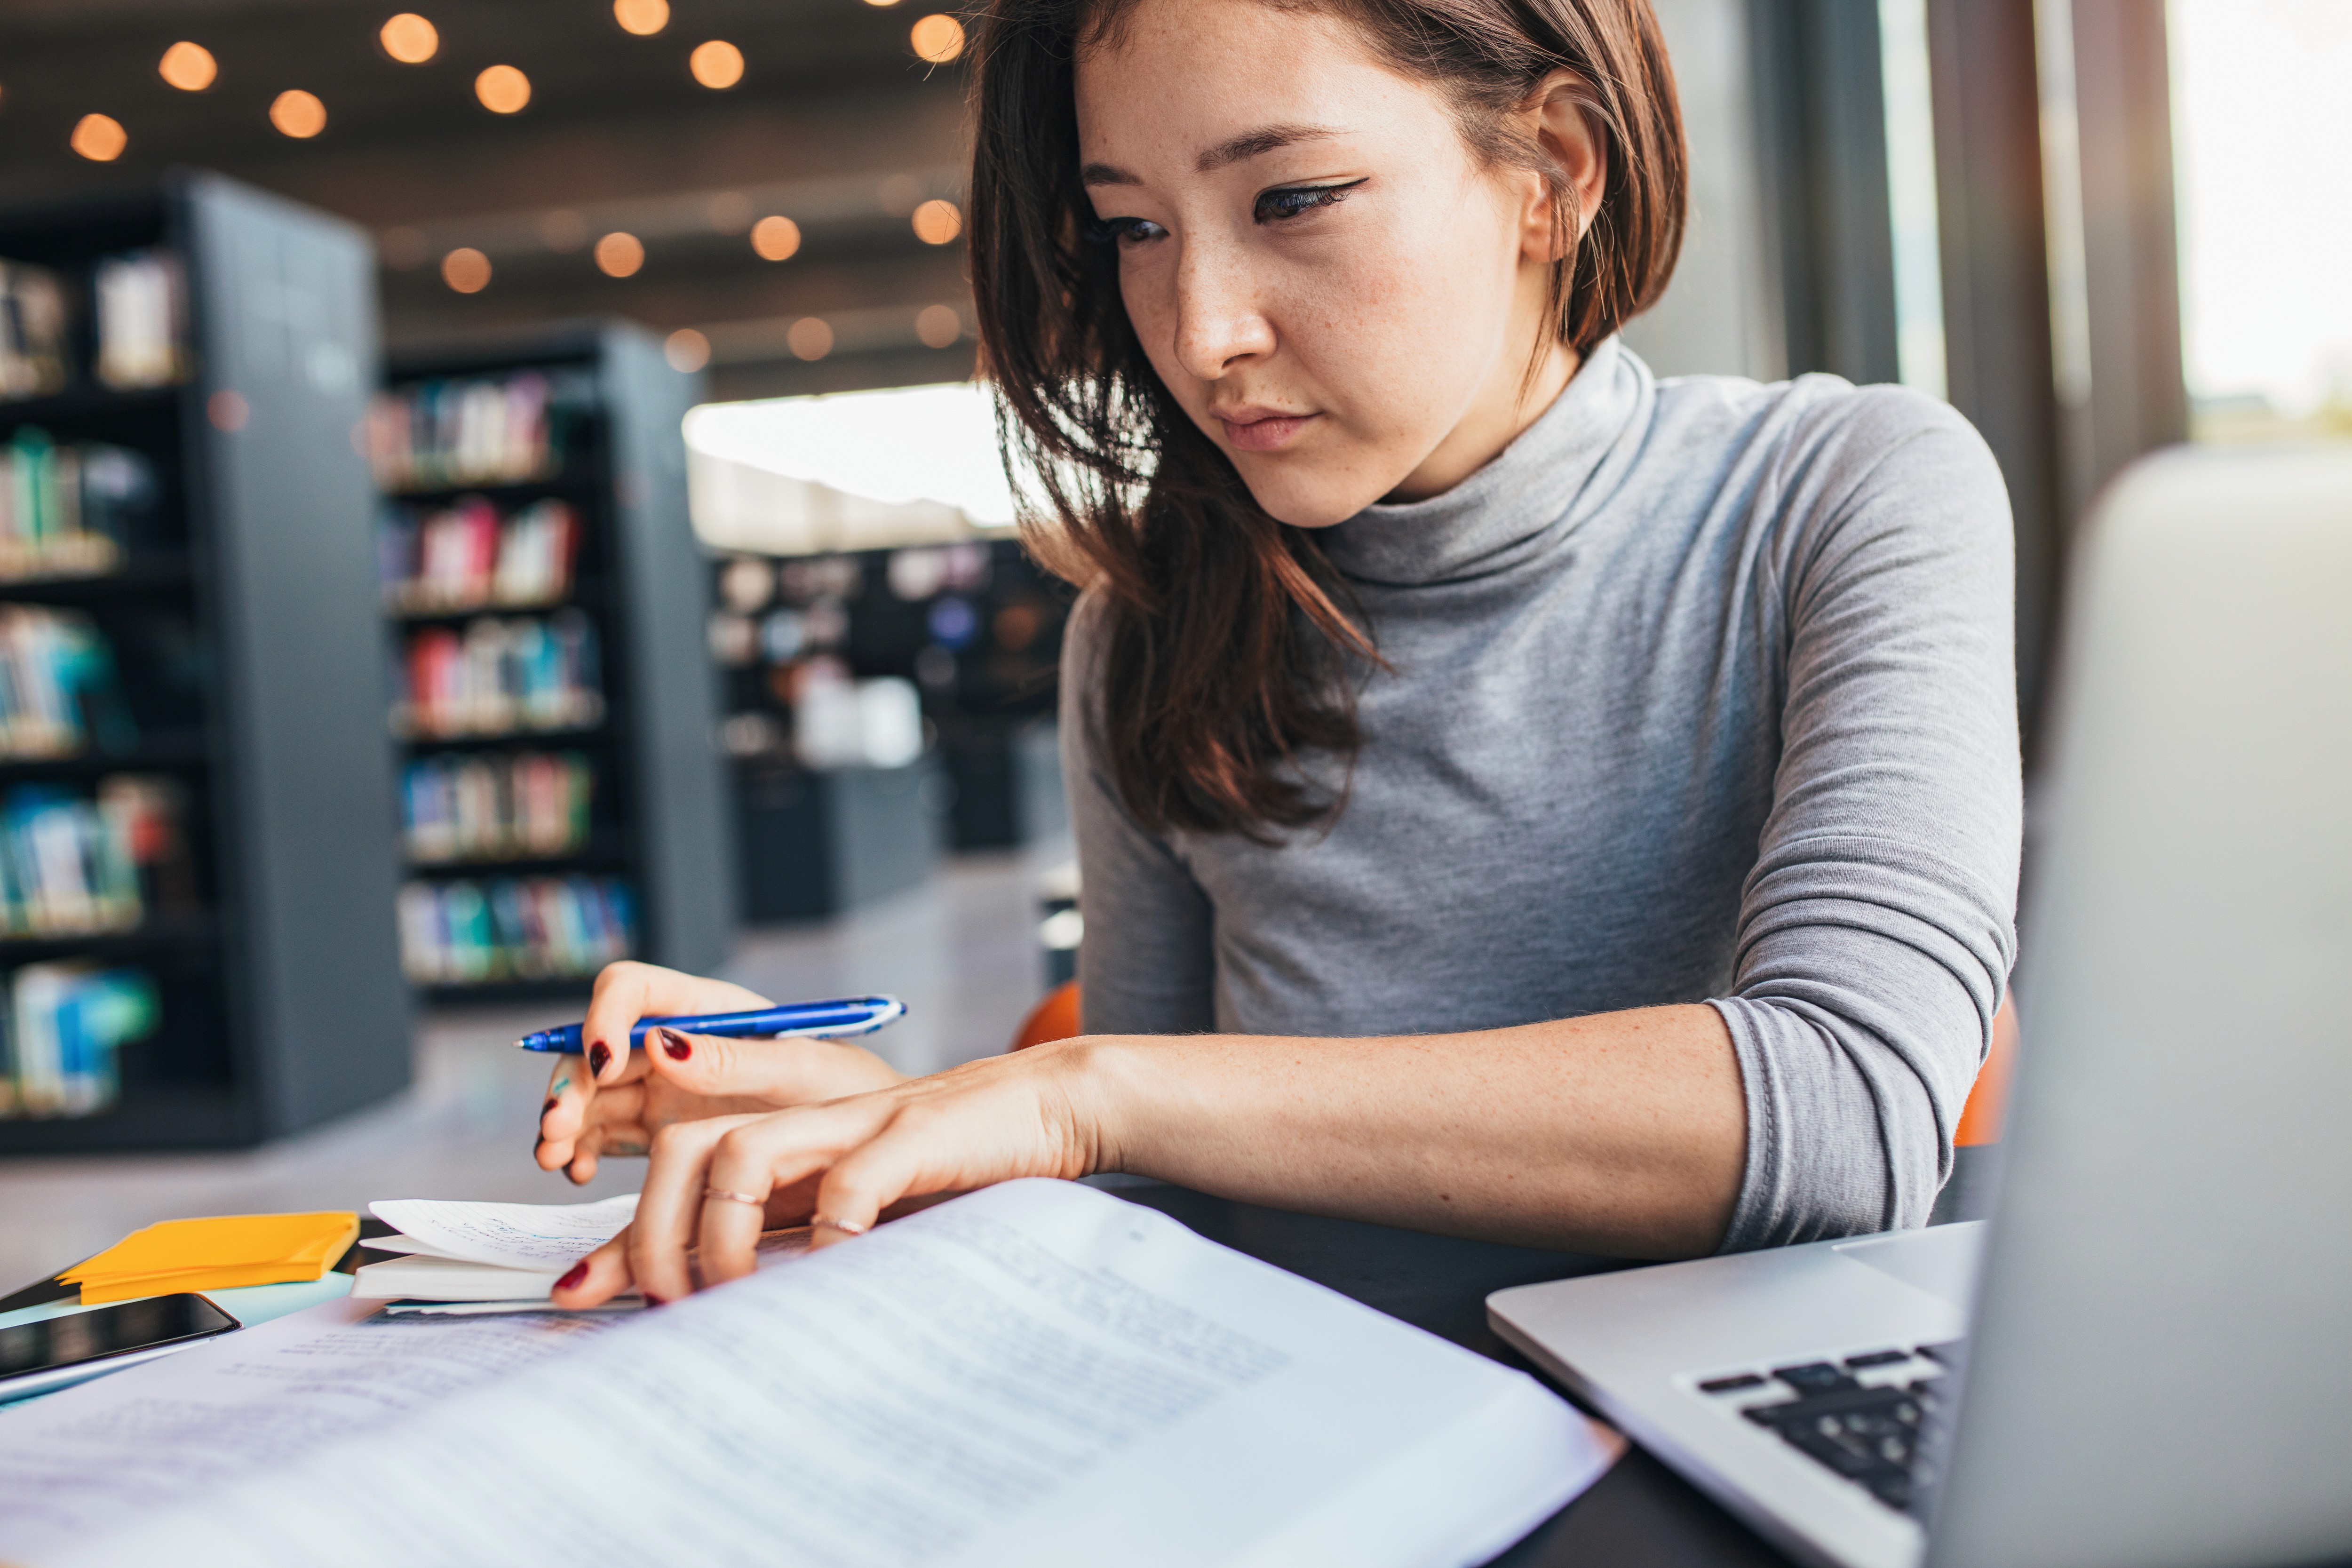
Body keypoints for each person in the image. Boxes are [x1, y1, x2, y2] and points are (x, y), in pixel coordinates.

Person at [538, 0, 2019, 1310]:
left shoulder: (1842, 492)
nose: (1199, 329)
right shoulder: (1146, 627)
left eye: (1294, 197)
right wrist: (885, 1126)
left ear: (1555, 173)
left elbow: (1848, 1118)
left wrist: (1082, 1092)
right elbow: (1158, 1207)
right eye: (1135, 228)